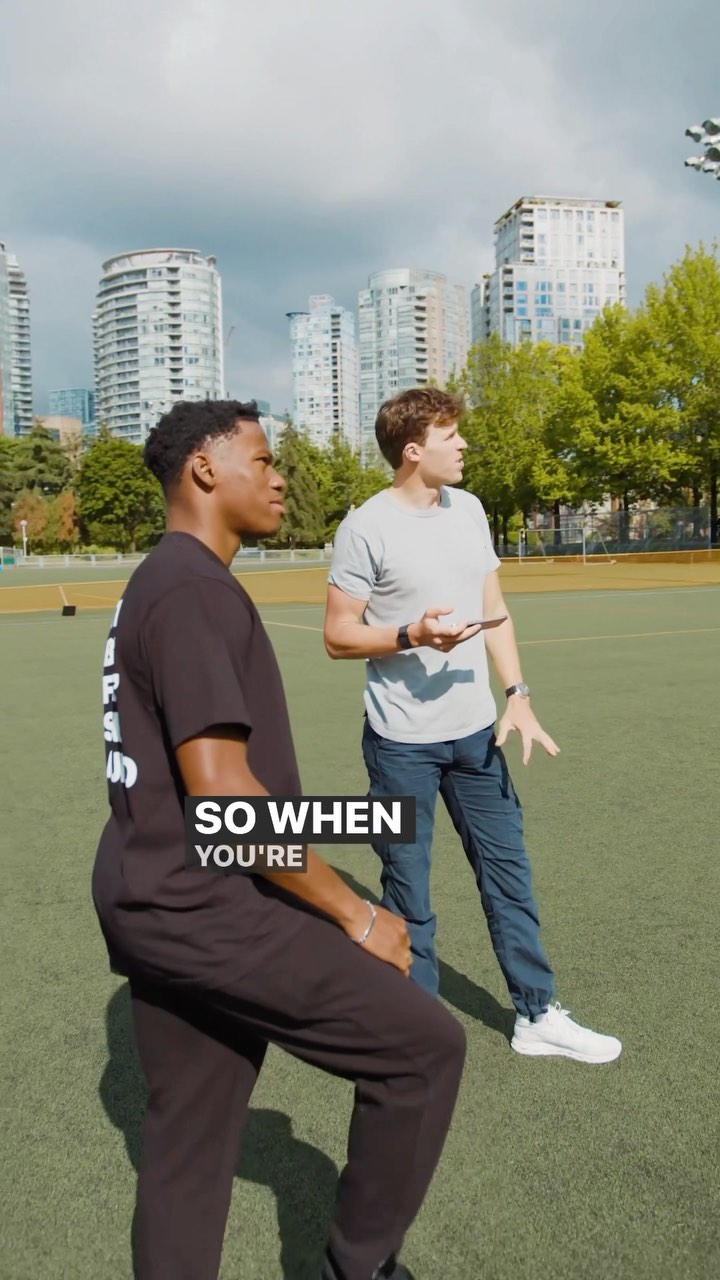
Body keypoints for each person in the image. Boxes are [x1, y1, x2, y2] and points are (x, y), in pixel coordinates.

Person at [91, 400, 466, 1280]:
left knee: (188, 1143)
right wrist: (356, 915)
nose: (279, 476)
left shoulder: (160, 579)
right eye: (261, 460)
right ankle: (359, 1267)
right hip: (207, 904)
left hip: (152, 895)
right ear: (204, 470)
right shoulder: (189, 588)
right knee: (423, 1050)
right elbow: (225, 795)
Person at [323, 387, 621, 1066]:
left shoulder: (471, 510)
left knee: (508, 877)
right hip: (401, 745)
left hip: (477, 737)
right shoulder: (365, 527)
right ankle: (418, 1033)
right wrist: (412, 634)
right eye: (449, 435)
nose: (463, 445)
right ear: (413, 450)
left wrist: (517, 694)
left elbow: (495, 609)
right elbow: (338, 635)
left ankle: (537, 1015)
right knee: (409, 890)